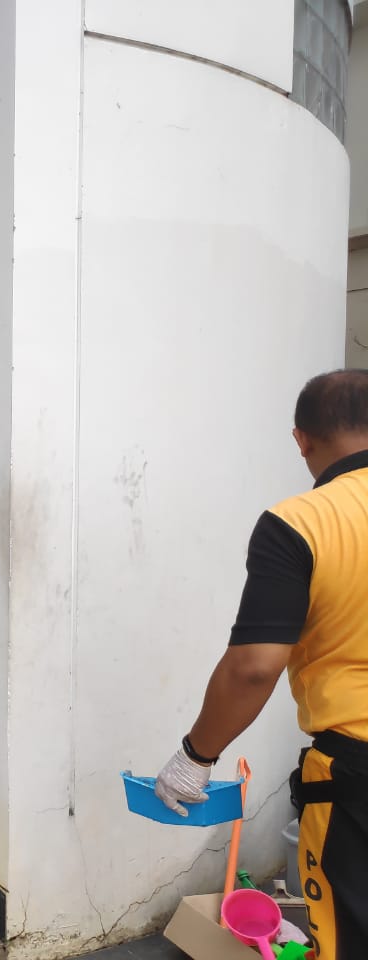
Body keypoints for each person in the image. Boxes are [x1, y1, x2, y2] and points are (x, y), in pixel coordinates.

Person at [154, 369, 368, 959]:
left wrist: (195, 756)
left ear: (301, 440)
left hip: (356, 779)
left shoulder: (300, 522)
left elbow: (253, 665)